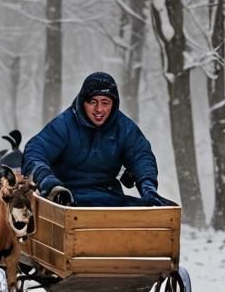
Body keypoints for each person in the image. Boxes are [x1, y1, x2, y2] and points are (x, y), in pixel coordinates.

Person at [22, 71, 175, 207]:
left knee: (147, 216)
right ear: (83, 102)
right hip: (65, 196)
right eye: (93, 102)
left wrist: (148, 187)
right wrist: (46, 180)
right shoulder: (65, 124)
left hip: (108, 196)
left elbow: (141, 156)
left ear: (113, 105)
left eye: (105, 102)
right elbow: (35, 151)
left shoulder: (124, 128)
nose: (99, 109)